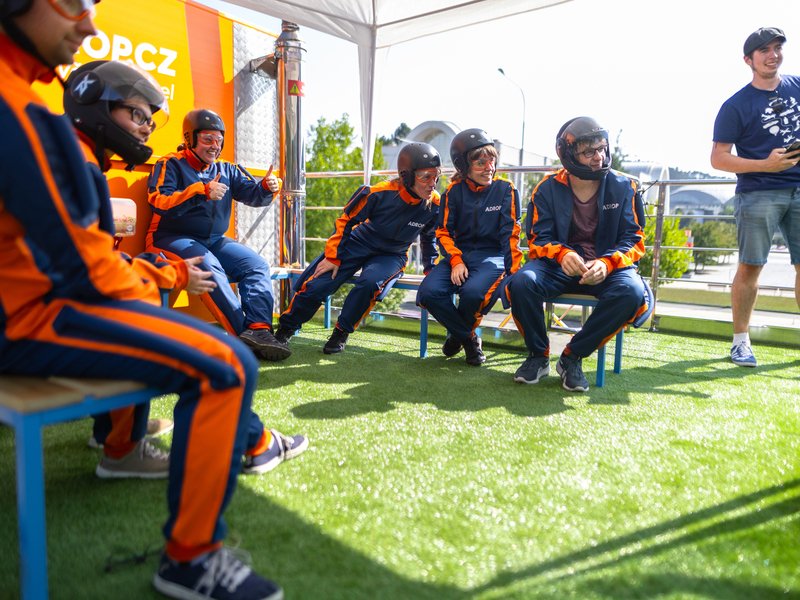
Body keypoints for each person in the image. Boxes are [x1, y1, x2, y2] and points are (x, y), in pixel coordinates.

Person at [0, 2, 299, 597]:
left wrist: (161, 273)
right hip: (23, 317)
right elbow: (84, 275)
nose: (88, 23)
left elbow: (74, 259)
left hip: (30, 303)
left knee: (180, 303)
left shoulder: (27, 105)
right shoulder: (19, 110)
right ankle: (191, 559)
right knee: (225, 364)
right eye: (72, 3)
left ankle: (121, 441)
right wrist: (168, 273)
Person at [64, 59, 217, 472]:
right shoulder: (77, 167)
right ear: (94, 103)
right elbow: (93, 276)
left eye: (151, 120)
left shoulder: (76, 156)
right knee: (147, 318)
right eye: (137, 115)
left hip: (40, 306)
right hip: (31, 323)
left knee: (146, 276)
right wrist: (173, 273)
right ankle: (123, 450)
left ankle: (111, 429)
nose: (147, 128)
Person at [508, 116, 648, 392]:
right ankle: (538, 356)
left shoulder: (624, 187)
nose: (599, 157)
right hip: (557, 267)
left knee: (631, 292)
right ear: (569, 155)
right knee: (522, 283)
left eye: (602, 148)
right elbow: (537, 238)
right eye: (588, 152)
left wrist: (607, 263)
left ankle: (572, 357)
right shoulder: (546, 188)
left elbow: (635, 240)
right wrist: (562, 254)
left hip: (606, 269)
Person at [146, 108, 290, 361]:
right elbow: (159, 201)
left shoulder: (226, 169)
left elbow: (253, 196)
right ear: (190, 139)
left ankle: (259, 330)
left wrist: (266, 188)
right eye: (208, 139)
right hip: (169, 237)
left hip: (213, 240)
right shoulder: (170, 164)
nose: (215, 146)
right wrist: (200, 191)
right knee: (209, 266)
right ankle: (243, 337)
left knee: (256, 265)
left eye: (219, 140)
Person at [275, 142, 442, 353]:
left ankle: (341, 332)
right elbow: (346, 220)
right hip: (358, 242)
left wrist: (430, 270)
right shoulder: (379, 193)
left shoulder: (435, 204)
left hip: (392, 254)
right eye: (426, 177)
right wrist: (333, 257)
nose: (432, 184)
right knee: (318, 283)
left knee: (370, 284)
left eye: (436, 177)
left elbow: (429, 238)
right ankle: (285, 329)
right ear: (407, 176)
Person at [711, 26, 800, 368]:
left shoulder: (797, 86)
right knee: (751, 266)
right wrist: (766, 165)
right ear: (748, 60)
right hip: (758, 192)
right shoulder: (735, 105)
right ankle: (740, 343)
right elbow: (718, 158)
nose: (773, 55)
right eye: (764, 50)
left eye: (777, 48)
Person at [416, 128, 522, 366]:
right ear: (464, 167)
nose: (489, 168)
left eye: (491, 160)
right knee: (428, 293)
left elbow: (511, 235)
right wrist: (455, 260)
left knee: (473, 294)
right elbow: (443, 232)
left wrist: (514, 271)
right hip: (459, 257)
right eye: (481, 163)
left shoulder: (506, 189)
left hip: (493, 258)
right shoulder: (453, 192)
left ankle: (457, 336)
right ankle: (470, 339)